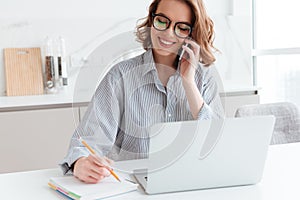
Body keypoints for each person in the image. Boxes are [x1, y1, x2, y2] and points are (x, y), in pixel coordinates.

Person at [60, 0, 224, 184]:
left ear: (192, 34)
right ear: (151, 20)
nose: (168, 33)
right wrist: (80, 162)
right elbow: (84, 144)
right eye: (162, 21)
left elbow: (217, 145)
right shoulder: (120, 77)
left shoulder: (204, 78)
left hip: (193, 185)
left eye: (182, 27)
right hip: (133, 190)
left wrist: (189, 83)